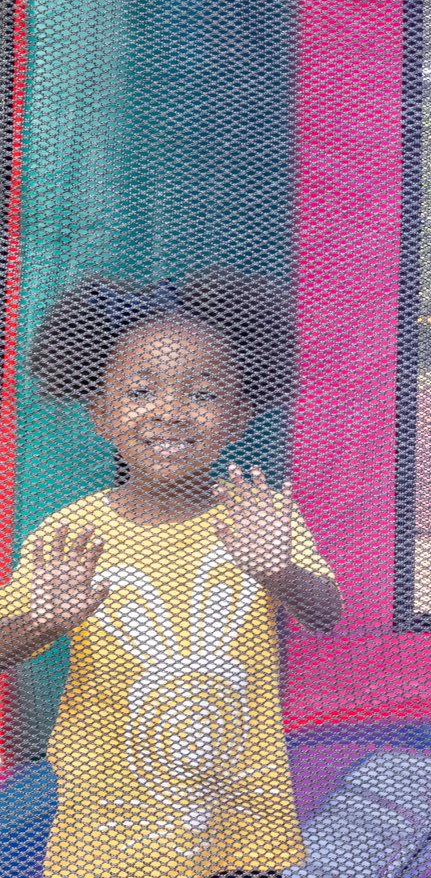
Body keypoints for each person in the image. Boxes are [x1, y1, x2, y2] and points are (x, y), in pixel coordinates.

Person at [0, 268, 342, 878]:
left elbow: (324, 615)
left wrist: (279, 570)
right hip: (108, 837)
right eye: (140, 392)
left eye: (202, 395)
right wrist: (44, 620)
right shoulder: (68, 535)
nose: (170, 413)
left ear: (239, 417)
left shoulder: (259, 515)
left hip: (242, 831)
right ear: (100, 414)